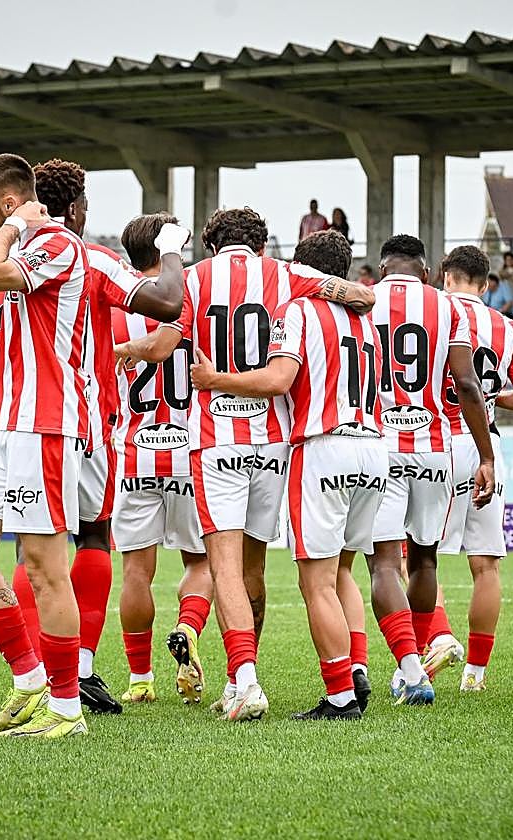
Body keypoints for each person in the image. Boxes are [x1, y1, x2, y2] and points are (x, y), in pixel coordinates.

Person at [112, 207, 374, 722]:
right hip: (273, 442)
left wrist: (127, 348)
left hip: (216, 441)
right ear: (260, 245)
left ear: (212, 246)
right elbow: (362, 296)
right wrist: (338, 290)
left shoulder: (193, 279)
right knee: (254, 568)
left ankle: (246, 679)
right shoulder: (287, 274)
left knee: (224, 567)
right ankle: (236, 681)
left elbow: (163, 346)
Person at [5, 159, 189, 717]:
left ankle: (36, 672)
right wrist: (172, 249)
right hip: (88, 419)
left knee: (31, 544)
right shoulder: (92, 258)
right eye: (84, 204)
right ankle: (77, 669)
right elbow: (166, 302)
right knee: (92, 536)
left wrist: (19, 397)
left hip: (20, 418)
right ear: (75, 207)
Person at [188, 230, 386, 720]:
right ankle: (357, 668)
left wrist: (214, 379)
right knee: (343, 570)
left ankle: (335, 694)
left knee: (312, 580)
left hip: (318, 445)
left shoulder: (298, 309)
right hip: (372, 447)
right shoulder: (366, 321)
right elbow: (365, 296)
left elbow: (279, 379)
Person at [0, 153, 92, 740]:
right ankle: (30, 679)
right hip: (10, 427)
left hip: (46, 425)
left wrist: (12, 225)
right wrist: (7, 225)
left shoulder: (56, 244)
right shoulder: (12, 241)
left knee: (45, 568)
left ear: (9, 203)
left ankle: (67, 709)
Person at [363, 236, 496, 707]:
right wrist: (486, 457)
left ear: (382, 269)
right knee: (424, 561)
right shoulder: (448, 307)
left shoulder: (363, 300)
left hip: (379, 447)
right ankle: (414, 664)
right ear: (425, 272)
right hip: (435, 448)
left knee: (383, 563)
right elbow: (467, 384)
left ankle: (411, 669)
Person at [111, 214, 214, 705]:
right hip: (190, 451)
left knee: (136, 570)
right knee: (202, 561)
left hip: (135, 451)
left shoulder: (116, 305)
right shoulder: (193, 296)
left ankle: (140, 680)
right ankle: (188, 628)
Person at [433, 245, 513, 693]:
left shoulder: (434, 311)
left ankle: (438, 636)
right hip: (486, 447)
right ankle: (475, 674)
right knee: (486, 565)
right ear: (485, 283)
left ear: (447, 276)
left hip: (436, 439)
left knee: (410, 556)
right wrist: (491, 399)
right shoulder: (507, 326)